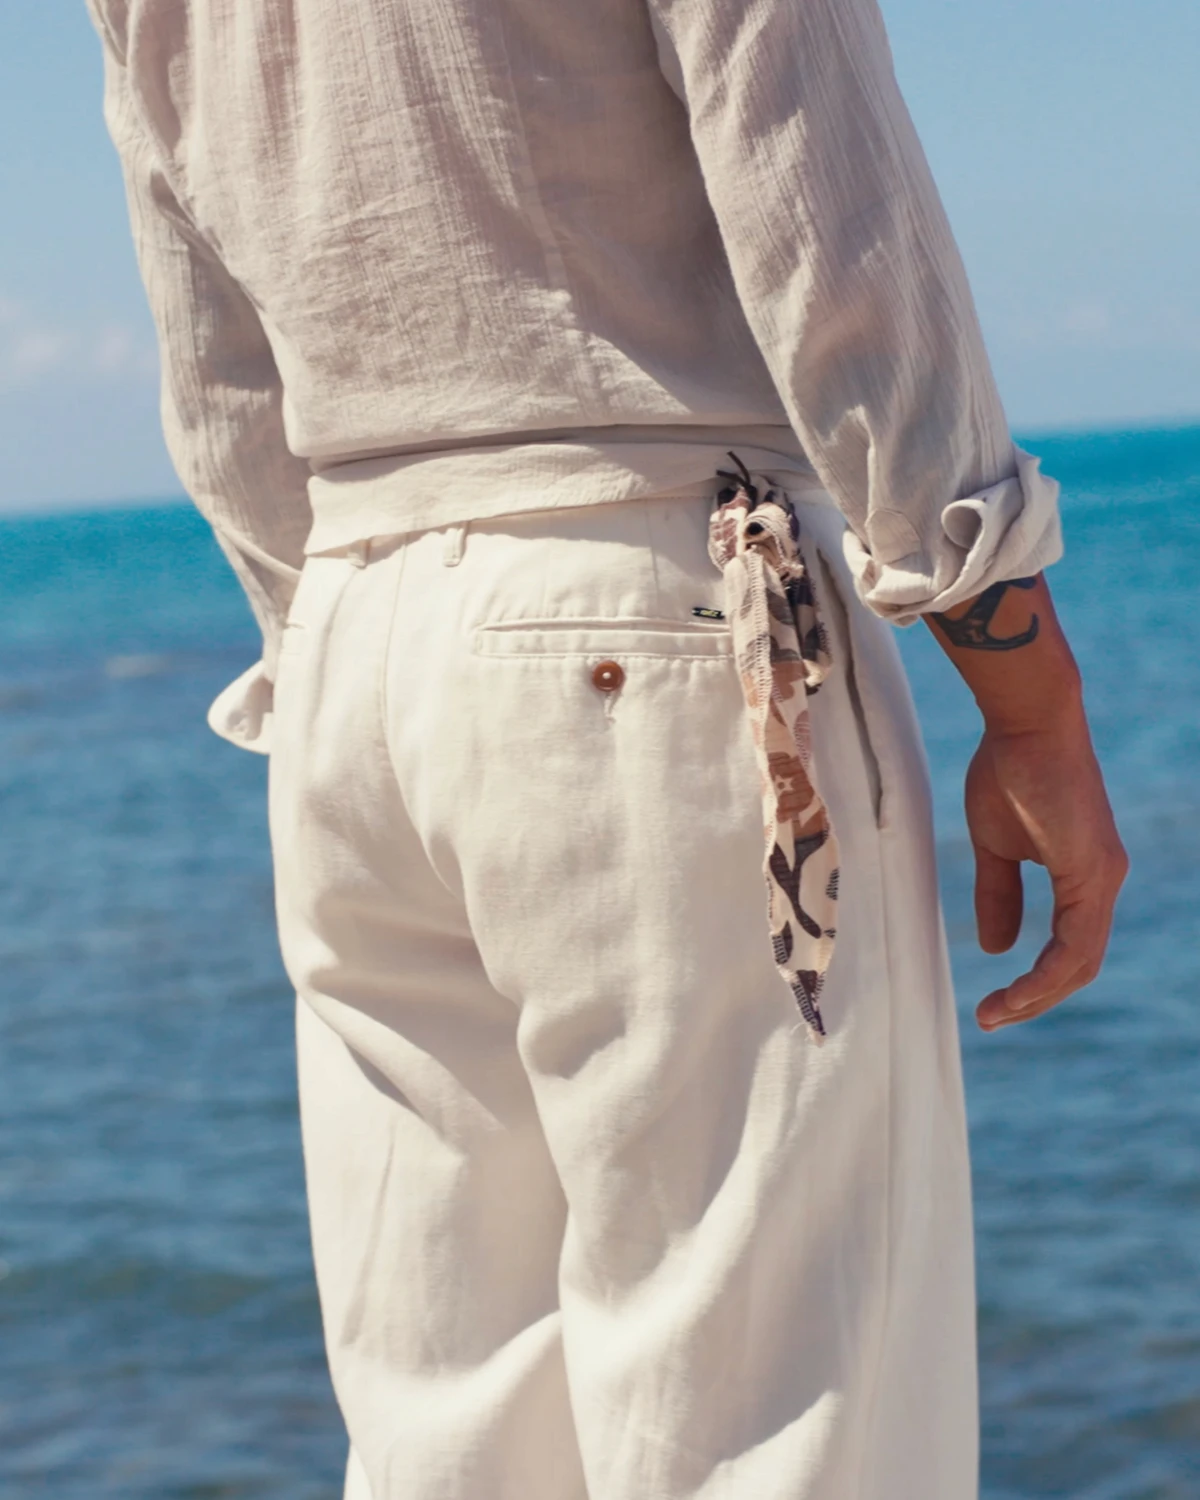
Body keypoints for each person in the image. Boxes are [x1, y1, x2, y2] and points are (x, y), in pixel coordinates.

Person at [86, 0, 1127, 1496]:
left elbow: (206, 324)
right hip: (660, 596)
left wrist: (322, 631)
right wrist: (1025, 687)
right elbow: (816, 190)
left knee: (449, 1433)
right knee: (781, 1421)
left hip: (355, 631)